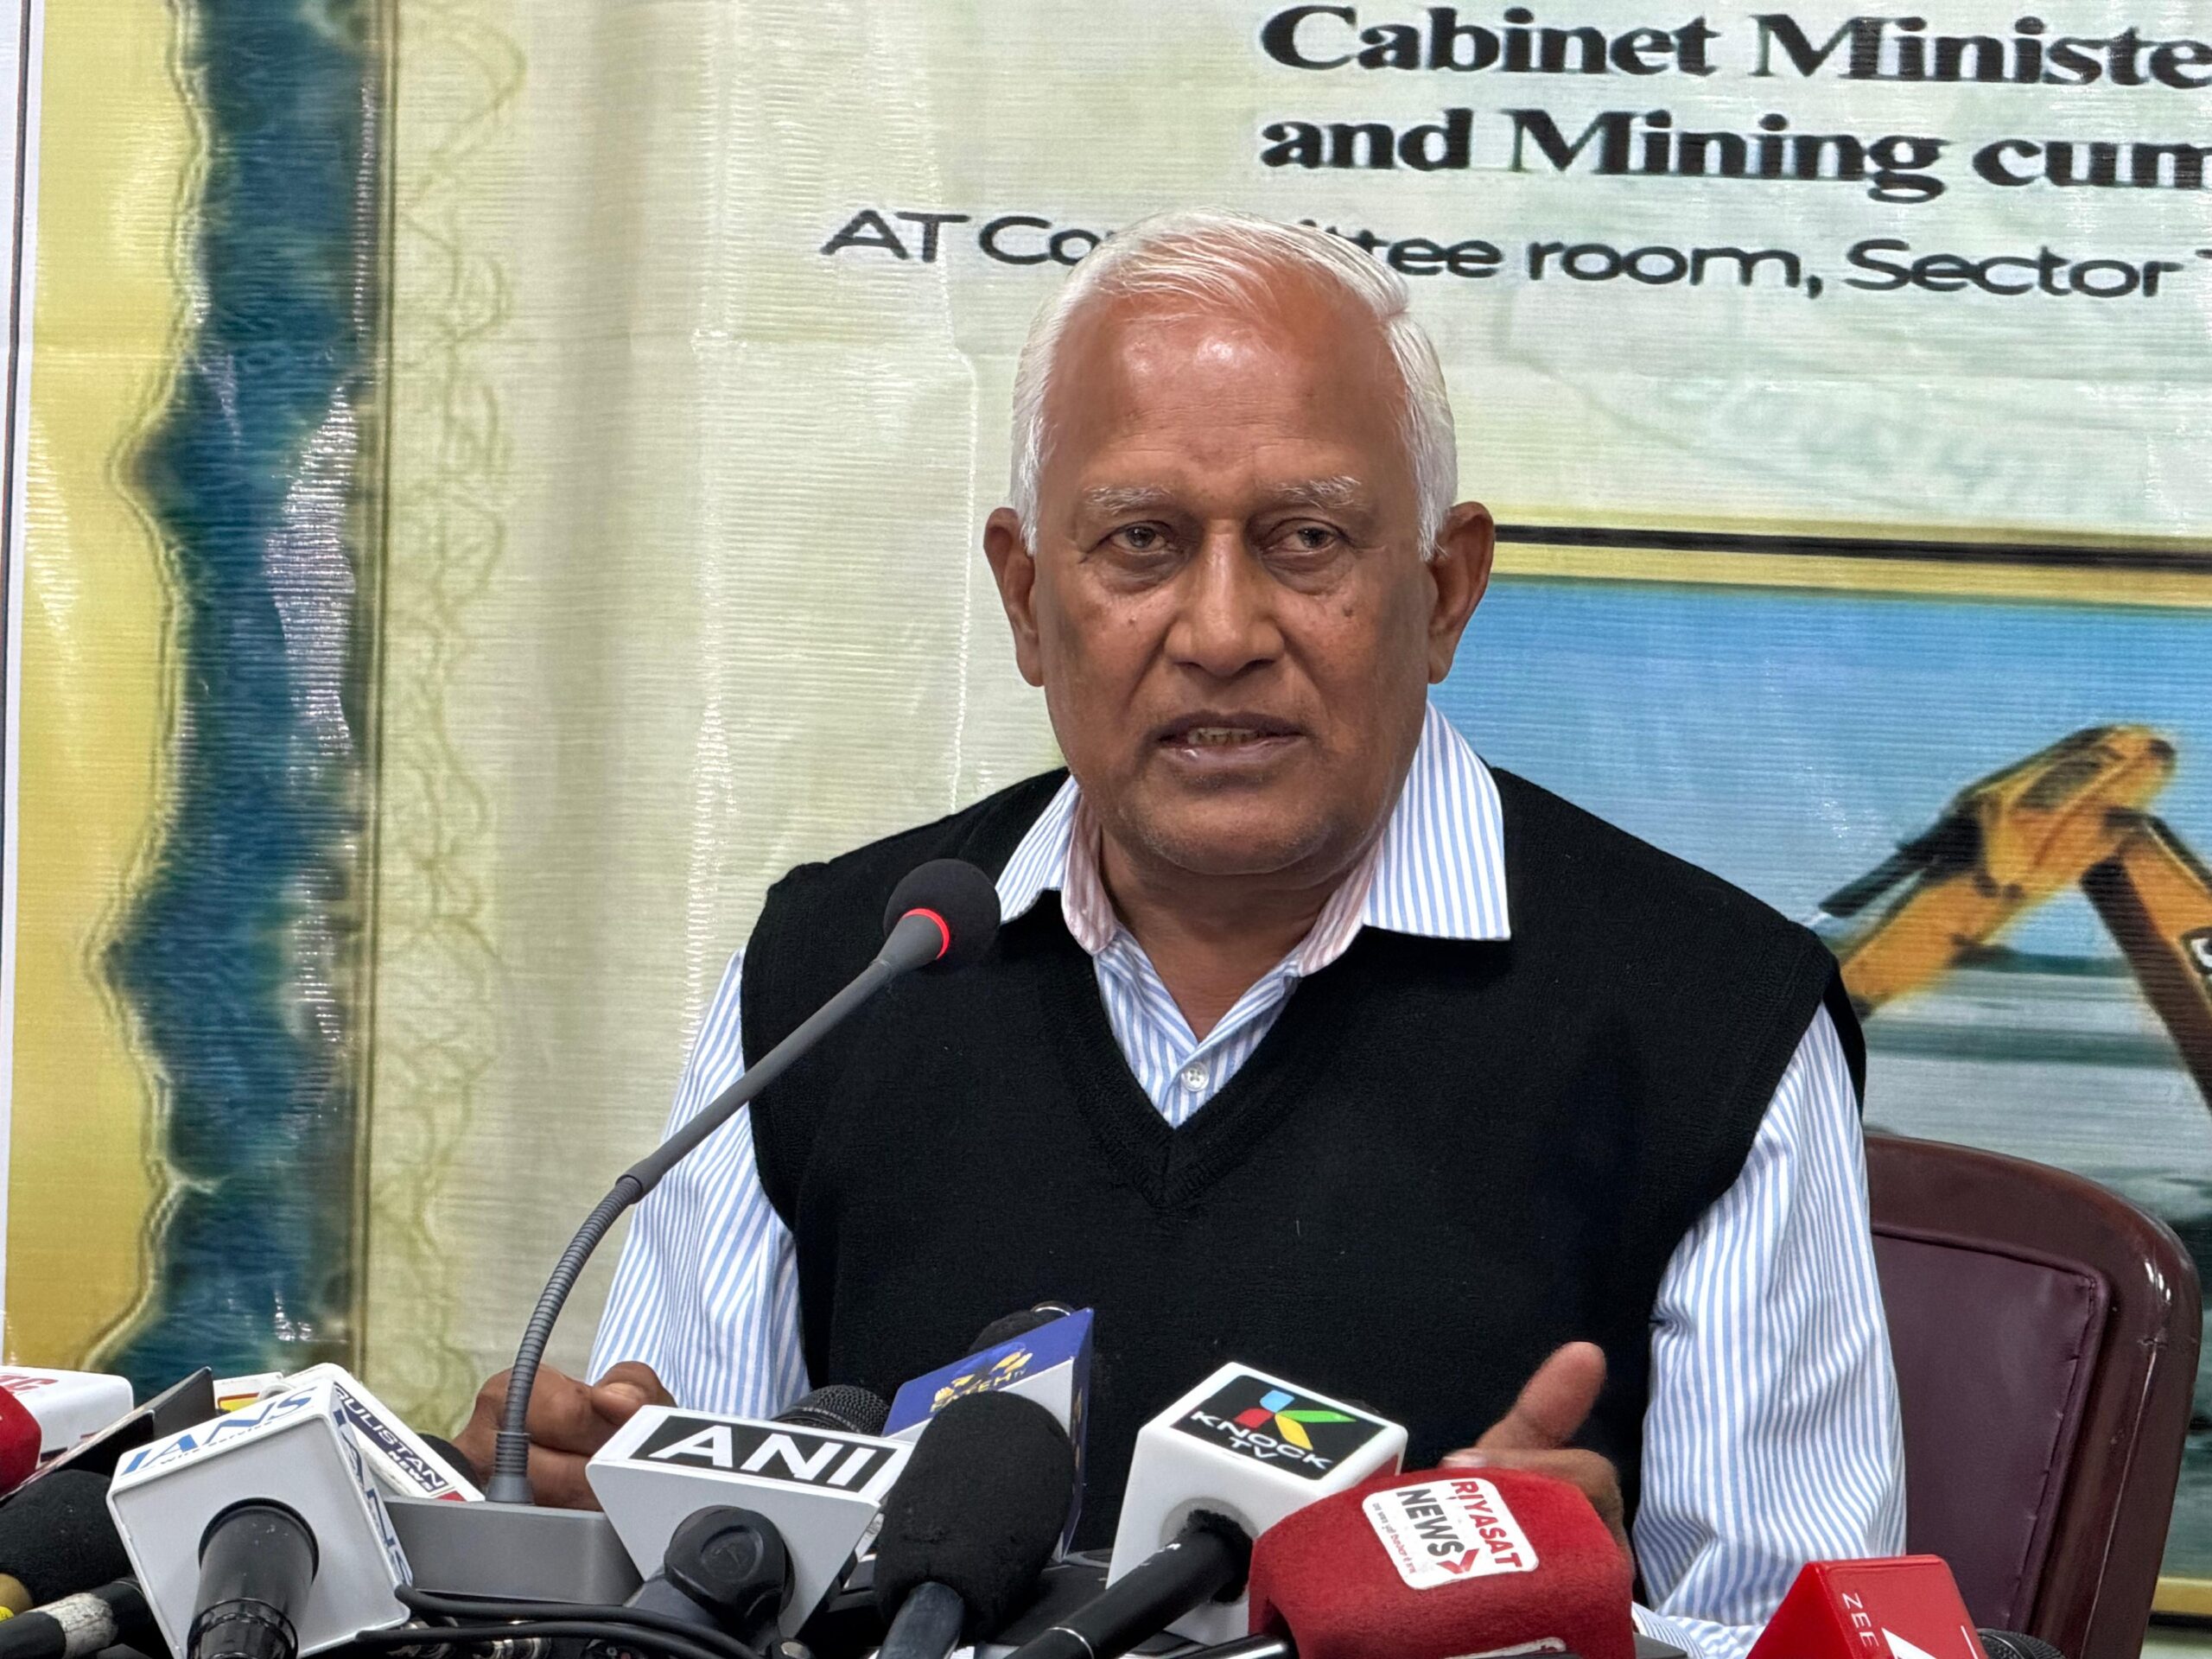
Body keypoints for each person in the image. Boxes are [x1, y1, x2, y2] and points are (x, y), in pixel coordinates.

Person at [454, 209, 1904, 1657]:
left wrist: (1591, 1628)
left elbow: (1811, 1636)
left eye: (1306, 540)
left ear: (1443, 590)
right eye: (1141, 543)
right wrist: (588, 1530)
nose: (1221, 631)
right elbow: (680, 1580)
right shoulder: (840, 978)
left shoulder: (1714, 1023)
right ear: (1029, 598)